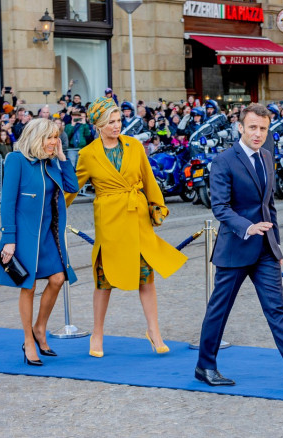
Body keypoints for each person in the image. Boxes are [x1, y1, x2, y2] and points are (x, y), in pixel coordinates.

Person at [194, 103, 283, 388]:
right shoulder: (224, 160)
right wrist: (247, 227)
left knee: (277, 308)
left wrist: (277, 246)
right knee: (218, 311)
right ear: (240, 128)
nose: (258, 134)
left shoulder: (268, 156)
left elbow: (269, 207)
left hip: (265, 251)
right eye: (252, 128)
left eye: (262, 129)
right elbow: (220, 207)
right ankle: (205, 366)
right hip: (235, 248)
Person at [65, 97, 187, 358]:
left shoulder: (134, 146)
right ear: (98, 125)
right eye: (110, 122)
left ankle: (154, 331)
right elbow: (71, 188)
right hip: (109, 221)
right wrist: (49, 210)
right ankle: (97, 334)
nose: (116, 126)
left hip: (137, 217)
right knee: (104, 280)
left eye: (118, 120)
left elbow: (148, 178)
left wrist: (157, 205)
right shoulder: (87, 154)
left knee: (146, 278)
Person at [0, 119, 78, 366]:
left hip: (48, 236)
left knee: (58, 278)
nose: (53, 142)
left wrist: (62, 157)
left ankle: (40, 328)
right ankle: (28, 340)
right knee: (27, 286)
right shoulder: (16, 160)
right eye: (49, 138)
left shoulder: (51, 162)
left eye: (56, 138)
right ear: (35, 137)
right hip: (23, 237)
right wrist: (9, 239)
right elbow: (7, 202)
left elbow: (71, 187)